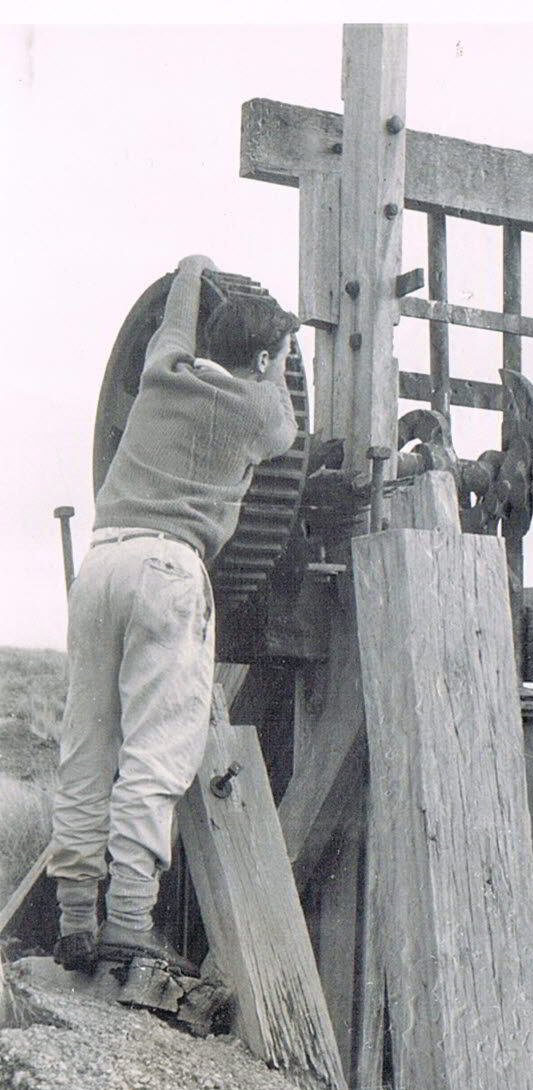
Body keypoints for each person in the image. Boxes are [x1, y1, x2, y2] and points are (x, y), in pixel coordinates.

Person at [47, 254, 300, 976]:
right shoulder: (257, 409)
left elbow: (177, 309)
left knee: (87, 742)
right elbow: (286, 427)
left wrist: (196, 266)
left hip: (102, 561)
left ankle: (73, 915)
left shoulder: (163, 369)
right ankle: (127, 922)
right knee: (155, 754)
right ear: (258, 357)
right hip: (167, 571)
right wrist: (275, 359)